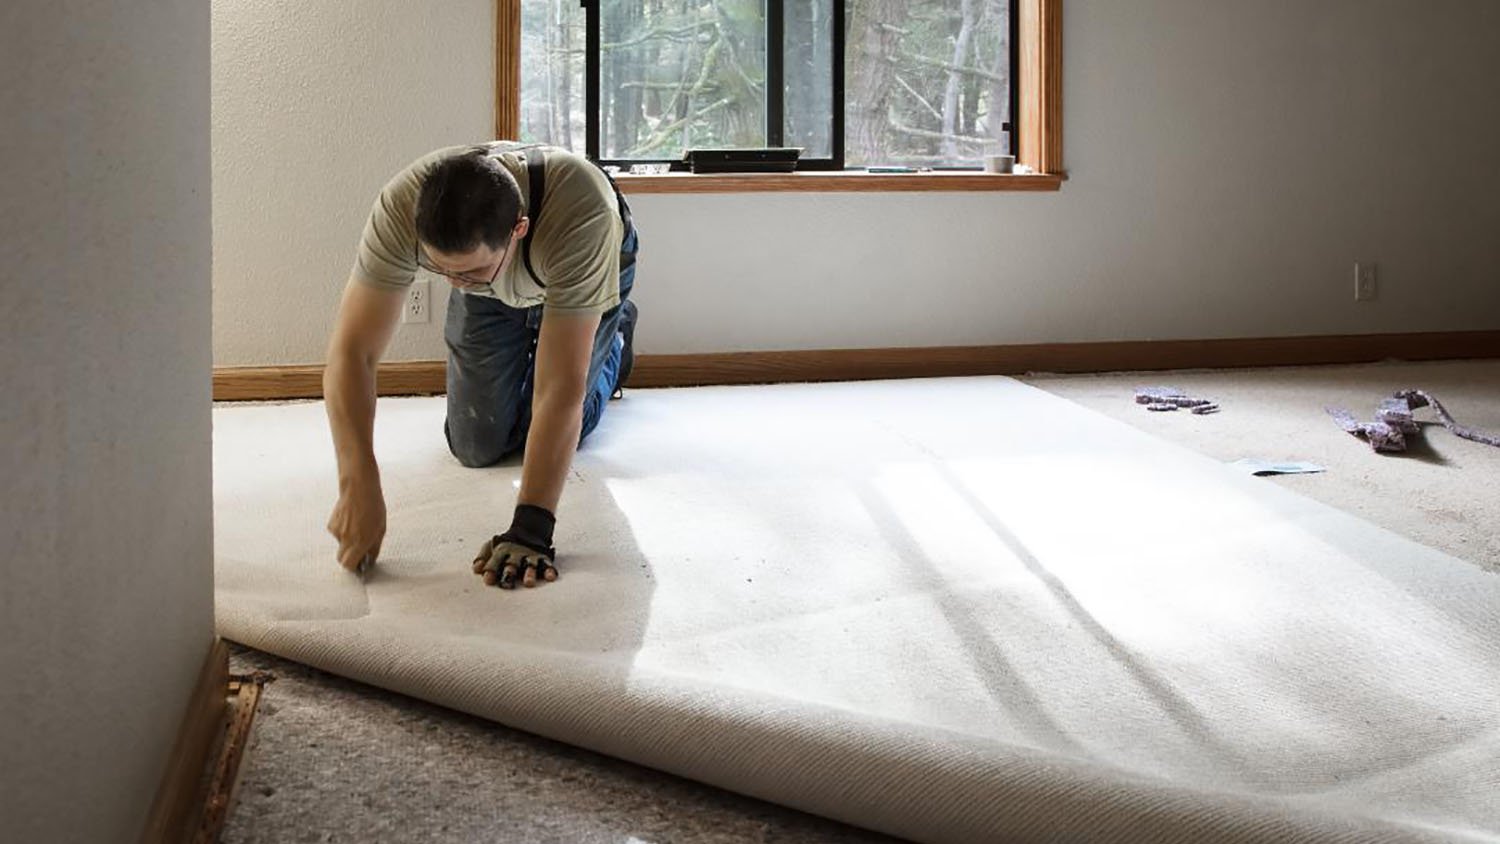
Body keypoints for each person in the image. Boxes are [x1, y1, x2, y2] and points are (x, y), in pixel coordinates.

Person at [322, 142, 639, 591]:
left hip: (583, 261)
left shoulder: (583, 217)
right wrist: (358, 482)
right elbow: (352, 353)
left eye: (466, 273)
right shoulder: (400, 207)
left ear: (519, 229)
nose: (453, 283)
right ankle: (512, 310)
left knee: (558, 422)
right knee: (474, 444)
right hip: (497, 283)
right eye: (441, 269)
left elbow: (560, 389)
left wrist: (531, 528)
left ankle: (614, 341)